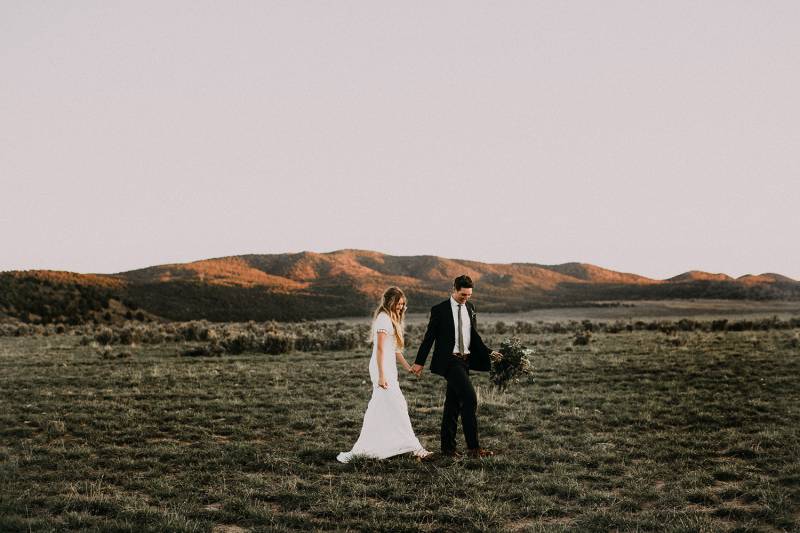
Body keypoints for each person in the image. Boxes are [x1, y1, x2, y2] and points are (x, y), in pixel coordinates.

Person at [337, 287, 432, 463]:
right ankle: (416, 448)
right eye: (399, 303)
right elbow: (380, 349)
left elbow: (394, 350)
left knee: (382, 407)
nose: (401, 307)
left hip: (389, 368)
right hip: (382, 369)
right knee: (398, 405)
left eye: (403, 304)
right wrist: (381, 375)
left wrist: (408, 367)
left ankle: (378, 444)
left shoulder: (392, 318)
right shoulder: (383, 318)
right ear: (390, 302)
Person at [411, 275, 501, 458]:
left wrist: (489, 352)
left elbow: (473, 336)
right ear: (454, 289)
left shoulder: (471, 308)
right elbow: (429, 338)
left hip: (465, 360)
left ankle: (448, 449)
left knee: (452, 405)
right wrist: (419, 362)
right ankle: (474, 449)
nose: (466, 298)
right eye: (463, 295)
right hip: (449, 361)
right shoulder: (439, 310)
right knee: (470, 398)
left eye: (469, 295)